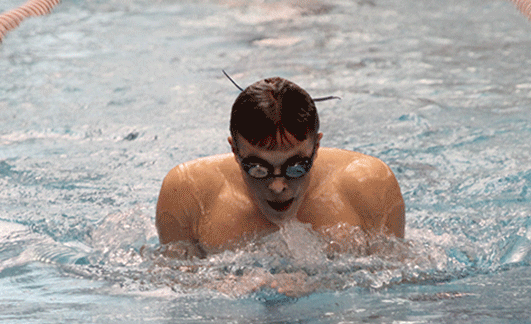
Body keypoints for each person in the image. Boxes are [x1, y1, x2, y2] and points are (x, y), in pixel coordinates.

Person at [156, 76, 405, 257]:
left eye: (297, 167)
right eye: (257, 169)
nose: (277, 186)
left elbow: (395, 290)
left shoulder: (368, 185)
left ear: (316, 148)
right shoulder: (188, 191)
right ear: (235, 151)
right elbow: (173, 287)